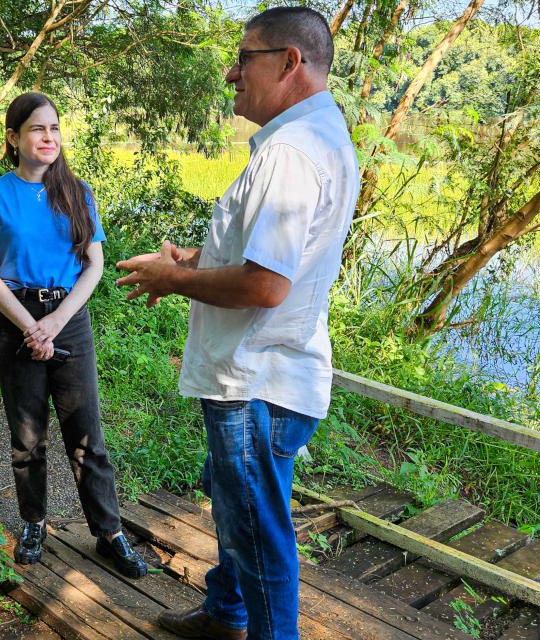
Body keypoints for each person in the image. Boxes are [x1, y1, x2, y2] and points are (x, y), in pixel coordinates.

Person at [115, 7, 358, 640]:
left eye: (244, 58)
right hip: (270, 367)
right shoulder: (320, 135)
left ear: (289, 63)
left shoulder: (291, 154)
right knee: (237, 505)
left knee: (256, 527)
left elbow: (266, 285)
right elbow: (278, 259)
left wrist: (174, 280)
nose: (231, 72)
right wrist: (203, 260)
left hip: (257, 378)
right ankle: (226, 613)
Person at [0, 93, 149, 578]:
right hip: (13, 319)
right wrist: (31, 325)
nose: (49, 138)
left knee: (86, 430)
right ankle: (34, 522)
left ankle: (108, 530)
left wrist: (54, 321)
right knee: (26, 435)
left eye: (54, 129)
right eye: (37, 129)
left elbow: (94, 266)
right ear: (13, 138)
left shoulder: (77, 192)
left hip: (69, 315)